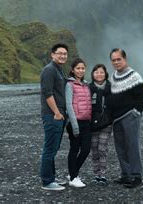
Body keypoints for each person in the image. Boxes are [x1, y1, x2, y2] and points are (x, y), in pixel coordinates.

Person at [108, 48, 143, 188]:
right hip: (116, 119)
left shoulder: (134, 76)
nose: (116, 62)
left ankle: (137, 176)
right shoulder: (112, 77)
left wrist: (136, 113)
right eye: (113, 60)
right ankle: (126, 175)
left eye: (119, 59)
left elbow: (142, 97)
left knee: (133, 146)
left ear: (125, 59)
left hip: (130, 117)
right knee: (120, 147)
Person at [39, 43, 69, 191]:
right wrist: (56, 112)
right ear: (53, 54)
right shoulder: (49, 70)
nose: (63, 56)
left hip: (59, 115)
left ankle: (51, 178)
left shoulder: (59, 70)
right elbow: (47, 92)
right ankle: (47, 181)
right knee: (50, 148)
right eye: (60, 53)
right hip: (53, 115)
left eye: (65, 54)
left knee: (54, 147)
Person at [65, 58, 92, 188]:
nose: (80, 70)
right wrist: (74, 125)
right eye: (78, 68)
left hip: (86, 122)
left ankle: (72, 173)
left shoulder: (87, 85)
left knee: (86, 149)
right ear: (73, 70)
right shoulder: (69, 85)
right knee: (74, 149)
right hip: (74, 122)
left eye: (82, 68)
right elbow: (69, 105)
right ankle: (74, 177)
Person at [88, 64, 113, 186]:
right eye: (96, 72)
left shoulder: (111, 88)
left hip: (106, 123)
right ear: (93, 74)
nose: (99, 74)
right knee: (94, 149)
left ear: (105, 74)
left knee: (102, 148)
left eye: (101, 72)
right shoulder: (88, 88)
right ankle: (95, 174)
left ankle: (102, 175)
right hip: (92, 124)